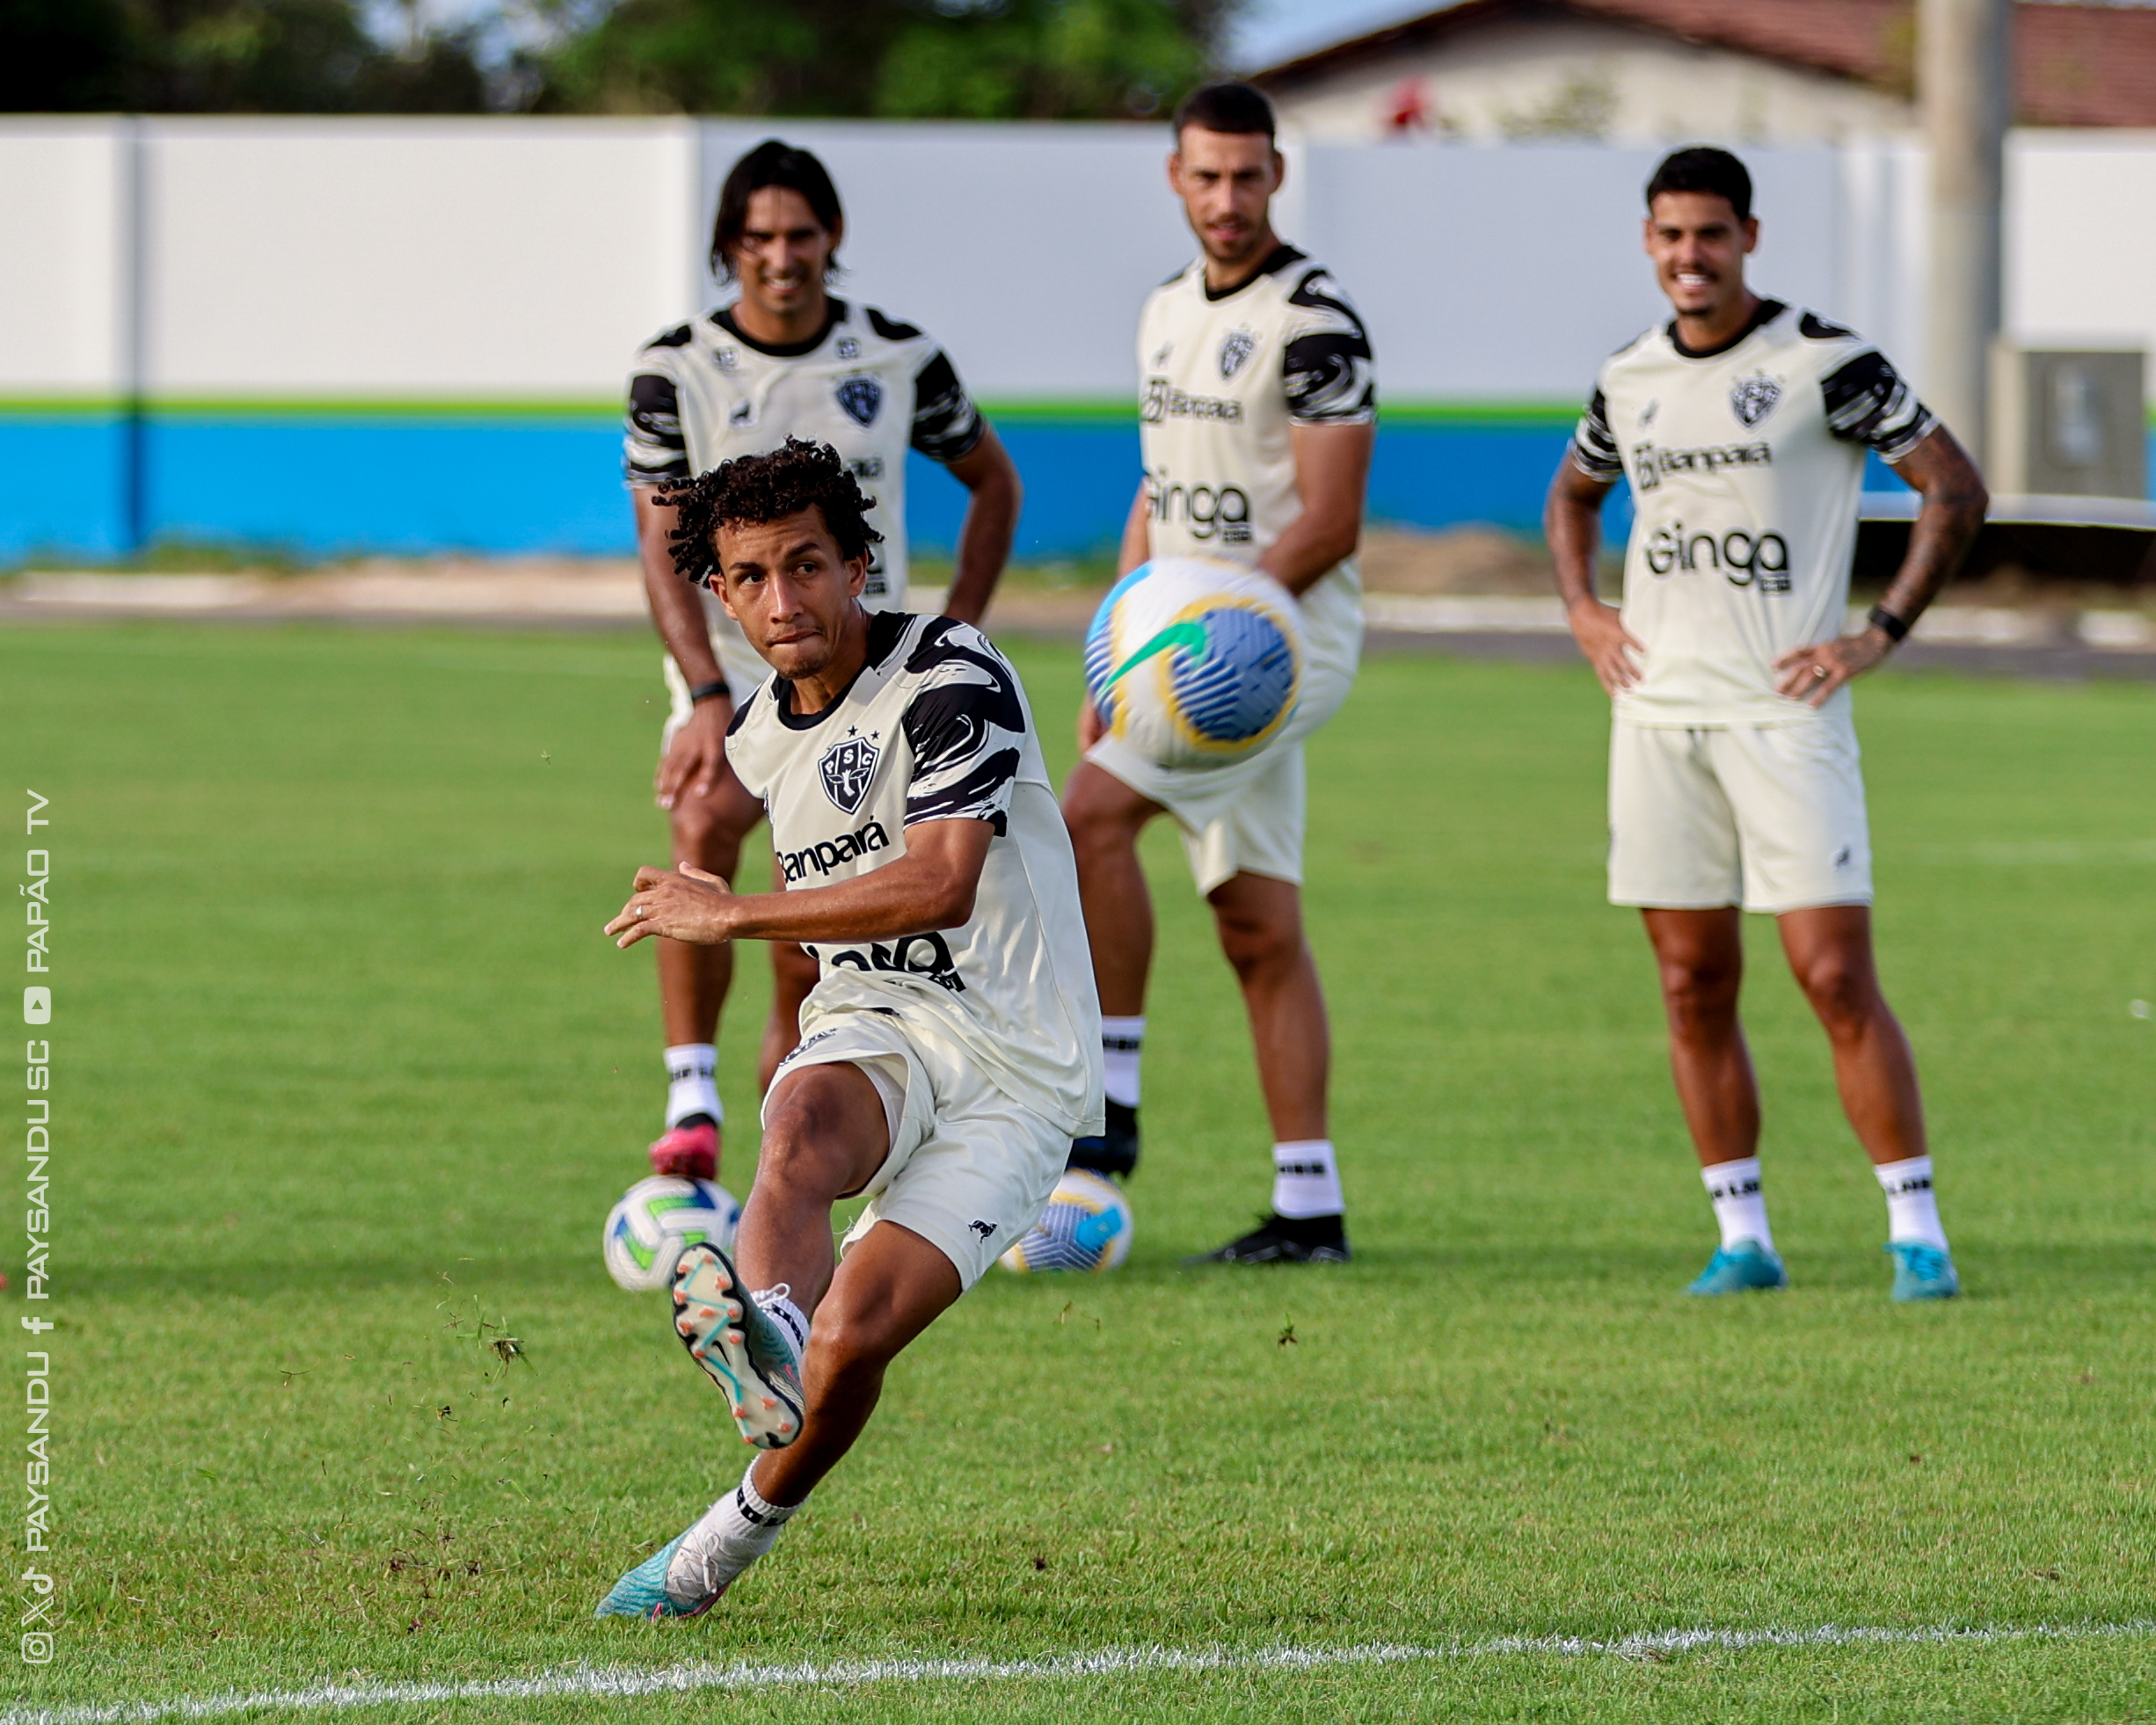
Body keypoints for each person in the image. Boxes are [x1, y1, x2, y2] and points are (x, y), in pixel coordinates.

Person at [594, 440, 1102, 1618]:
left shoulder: (952, 675)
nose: (785, 600)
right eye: (754, 577)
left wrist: (732, 913)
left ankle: (719, 1544)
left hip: (1020, 1068)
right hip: (881, 1018)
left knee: (858, 1336)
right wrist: (791, 1038)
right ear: (719, 596)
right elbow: (828, 930)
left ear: (858, 562)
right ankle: (764, 1328)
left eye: (808, 565)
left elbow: (939, 885)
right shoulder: (762, 736)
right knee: (804, 1124)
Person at [1543, 146, 1987, 1300]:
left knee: (1832, 974)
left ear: (1750, 237)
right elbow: (1573, 492)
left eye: (1713, 235)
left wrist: (1878, 631)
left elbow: (1953, 484)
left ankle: (1917, 1233)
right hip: (1656, 713)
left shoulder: (1824, 362)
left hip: (1786, 712)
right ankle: (1742, 1236)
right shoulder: (1628, 376)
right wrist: (1587, 610)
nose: (1691, 257)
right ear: (1649, 242)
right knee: (1692, 982)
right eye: (1672, 236)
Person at [623, 139, 1021, 1185]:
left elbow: (995, 484)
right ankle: (690, 1096)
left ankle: (791, 1113)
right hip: (731, 664)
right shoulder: (674, 370)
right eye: (758, 238)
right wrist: (705, 692)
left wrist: (958, 634)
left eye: (801, 235)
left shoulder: (898, 357)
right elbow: (662, 547)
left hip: (868, 678)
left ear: (832, 238)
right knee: (702, 818)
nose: (782, 256)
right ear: (728, 248)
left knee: (822, 923)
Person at [1060, 82, 1376, 1266]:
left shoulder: (1318, 320)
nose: (1228, 198)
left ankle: (1109, 1104)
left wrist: (1192, 635)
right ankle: (1311, 1206)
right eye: (1208, 176)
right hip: (1176, 642)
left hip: (1279, 641)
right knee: (1257, 924)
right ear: (1176, 180)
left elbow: (1332, 522)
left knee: (1089, 815)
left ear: (1277, 178)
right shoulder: (1160, 312)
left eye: (1249, 176)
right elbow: (1160, 490)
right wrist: (1118, 641)